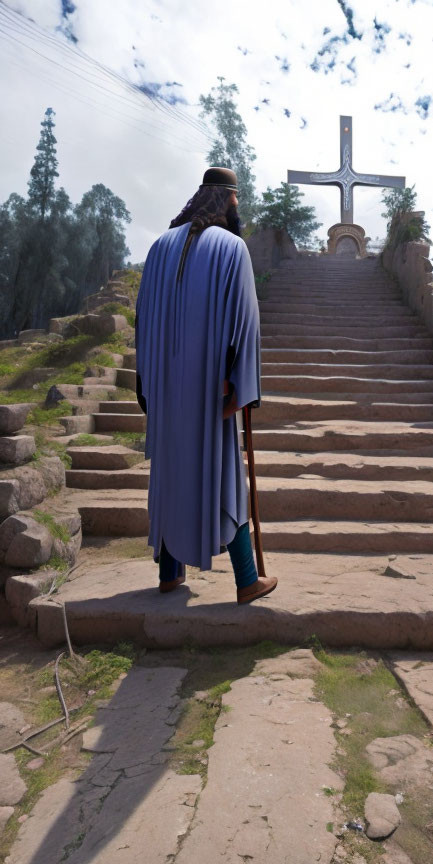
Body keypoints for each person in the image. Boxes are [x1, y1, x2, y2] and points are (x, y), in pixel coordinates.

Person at [134, 166, 278, 605]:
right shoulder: (233, 248)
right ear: (229, 202)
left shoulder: (158, 247)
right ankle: (246, 580)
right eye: (237, 204)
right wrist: (240, 386)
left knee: (171, 470)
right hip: (210, 390)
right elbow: (247, 324)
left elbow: (142, 323)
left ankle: (168, 573)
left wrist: (148, 385)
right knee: (223, 476)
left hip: (164, 386)